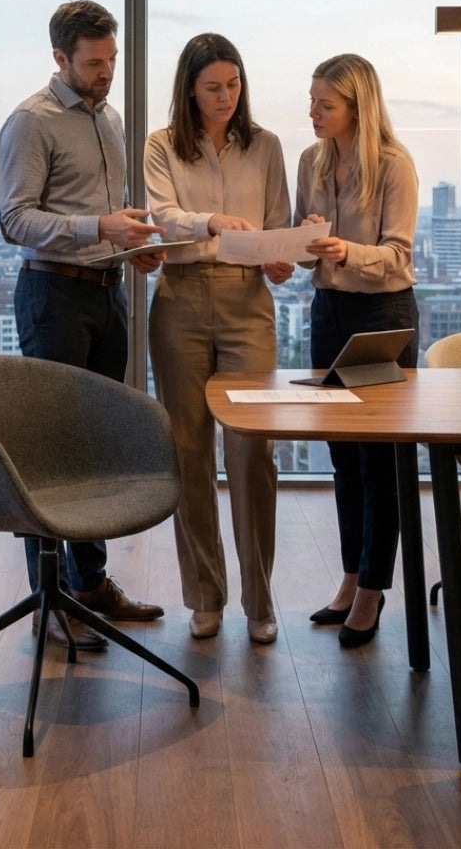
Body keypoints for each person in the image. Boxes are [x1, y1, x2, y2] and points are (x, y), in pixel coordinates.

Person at [0, 0, 167, 651]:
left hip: (107, 292)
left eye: (112, 61)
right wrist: (98, 229)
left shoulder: (112, 120)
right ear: (60, 58)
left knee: (93, 447)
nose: (106, 73)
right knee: (51, 451)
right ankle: (50, 600)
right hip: (53, 297)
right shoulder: (31, 122)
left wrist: (130, 246)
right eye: (94, 63)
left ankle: (91, 583)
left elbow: (111, 216)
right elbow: (15, 220)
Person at [144, 33, 293, 645]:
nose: (226, 96)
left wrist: (282, 257)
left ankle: (260, 602)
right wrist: (208, 220)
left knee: (252, 451)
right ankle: (205, 595)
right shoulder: (161, 146)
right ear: (189, 88)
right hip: (178, 299)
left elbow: (278, 224)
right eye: (213, 87)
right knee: (188, 450)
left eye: (233, 84)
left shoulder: (266, 146)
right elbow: (161, 216)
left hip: (245, 300)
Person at [295, 52, 419, 648]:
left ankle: (372, 590)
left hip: (380, 314)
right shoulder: (309, 162)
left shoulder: (394, 165)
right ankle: (349, 579)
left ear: (357, 107)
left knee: (379, 464)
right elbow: (304, 250)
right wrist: (302, 243)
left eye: (326, 103)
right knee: (343, 458)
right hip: (330, 312)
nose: (313, 112)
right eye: (312, 99)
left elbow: (399, 256)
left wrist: (346, 250)